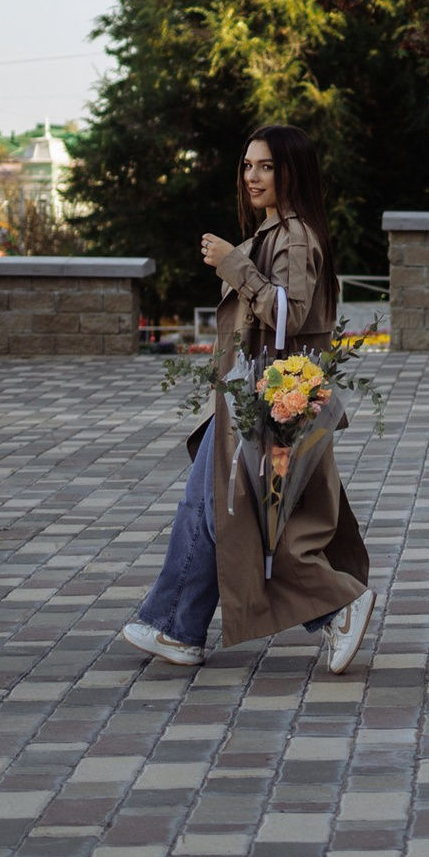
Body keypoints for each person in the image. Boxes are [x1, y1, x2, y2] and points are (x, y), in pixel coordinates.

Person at [122, 124, 379, 673]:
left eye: (265, 166)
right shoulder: (272, 233)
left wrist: (233, 266)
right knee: (209, 504)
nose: (252, 177)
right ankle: (177, 627)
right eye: (247, 166)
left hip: (272, 401)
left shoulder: (295, 237)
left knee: (240, 516)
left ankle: (337, 606)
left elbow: (286, 316)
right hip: (251, 394)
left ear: (292, 172)